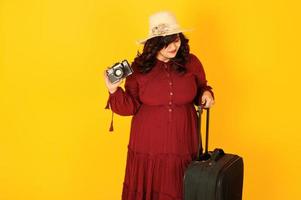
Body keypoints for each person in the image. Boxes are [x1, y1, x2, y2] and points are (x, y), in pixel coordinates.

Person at [104, 11, 215, 200]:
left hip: (184, 142)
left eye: (177, 39)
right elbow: (129, 107)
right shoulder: (139, 68)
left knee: (183, 188)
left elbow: (201, 88)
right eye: (167, 41)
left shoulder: (191, 62)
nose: (174, 46)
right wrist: (113, 90)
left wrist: (206, 94)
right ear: (155, 43)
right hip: (148, 146)